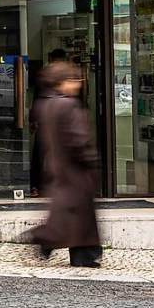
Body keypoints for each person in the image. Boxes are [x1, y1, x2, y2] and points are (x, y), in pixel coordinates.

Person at [27, 61, 101, 268]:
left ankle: (79, 252)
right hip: (76, 168)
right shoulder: (69, 105)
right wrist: (91, 160)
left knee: (73, 213)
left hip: (58, 165)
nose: (78, 84)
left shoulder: (46, 103)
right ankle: (46, 238)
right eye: (73, 80)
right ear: (61, 82)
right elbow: (79, 139)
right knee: (79, 213)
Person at [28, 48, 67, 197]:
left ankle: (36, 186)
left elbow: (37, 99)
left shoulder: (44, 75)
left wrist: (33, 120)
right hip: (58, 121)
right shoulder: (65, 76)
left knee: (40, 155)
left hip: (47, 120)